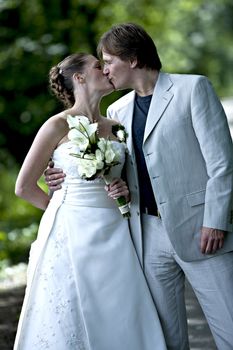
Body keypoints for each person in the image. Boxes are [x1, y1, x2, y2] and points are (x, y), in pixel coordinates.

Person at [46, 24, 233, 350]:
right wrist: (60, 171)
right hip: (146, 236)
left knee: (229, 328)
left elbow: (222, 164)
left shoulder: (193, 89)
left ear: (132, 59)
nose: (104, 70)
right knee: (166, 339)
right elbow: (119, 168)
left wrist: (215, 220)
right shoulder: (118, 111)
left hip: (202, 230)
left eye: (108, 60)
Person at [13, 52, 167, 350]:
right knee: (71, 306)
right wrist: (62, 205)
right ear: (79, 78)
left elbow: (130, 178)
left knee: (119, 305)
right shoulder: (57, 125)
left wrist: (124, 190)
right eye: (99, 66)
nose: (107, 70)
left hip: (116, 228)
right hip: (72, 229)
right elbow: (24, 186)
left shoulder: (117, 124)